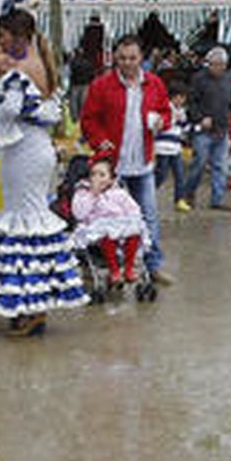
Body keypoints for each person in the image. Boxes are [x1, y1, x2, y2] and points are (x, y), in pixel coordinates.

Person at [0, 7, 87, 335]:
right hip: (26, 148)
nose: (0, 40)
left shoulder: (24, 67)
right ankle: (30, 301)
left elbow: (9, 109)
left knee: (25, 224)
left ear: (18, 35)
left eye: (3, 35)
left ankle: (30, 305)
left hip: (26, 150)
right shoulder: (34, 62)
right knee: (25, 221)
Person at [80, 35, 172, 282]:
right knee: (106, 218)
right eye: (122, 58)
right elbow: (88, 119)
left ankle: (153, 265)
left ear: (141, 58)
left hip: (143, 163)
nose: (127, 63)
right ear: (114, 58)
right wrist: (99, 140)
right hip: (112, 167)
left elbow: (166, 111)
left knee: (148, 216)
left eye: (132, 58)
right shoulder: (101, 85)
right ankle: (110, 267)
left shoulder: (154, 84)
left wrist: (161, 121)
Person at [71, 147, 150, 292]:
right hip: (97, 227)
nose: (97, 178)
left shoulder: (118, 193)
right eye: (93, 174)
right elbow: (79, 214)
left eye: (102, 175)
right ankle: (114, 271)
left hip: (120, 226)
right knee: (108, 235)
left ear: (111, 178)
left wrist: (130, 219)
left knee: (134, 231)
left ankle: (129, 268)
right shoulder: (83, 193)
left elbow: (133, 208)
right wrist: (93, 194)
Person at [184, 47, 231, 210]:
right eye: (215, 65)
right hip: (203, 130)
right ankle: (189, 192)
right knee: (199, 163)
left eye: (221, 65)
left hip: (221, 128)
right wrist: (200, 118)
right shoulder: (199, 79)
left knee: (220, 166)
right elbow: (191, 103)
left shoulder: (229, 78)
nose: (219, 68)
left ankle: (217, 200)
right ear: (209, 64)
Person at [159, 84, 189, 206]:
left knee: (180, 175)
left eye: (183, 98)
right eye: (178, 97)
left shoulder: (182, 111)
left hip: (176, 148)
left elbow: (184, 127)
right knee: (161, 174)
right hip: (162, 148)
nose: (180, 100)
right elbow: (161, 125)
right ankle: (149, 191)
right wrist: (172, 119)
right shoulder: (165, 108)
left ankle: (179, 199)